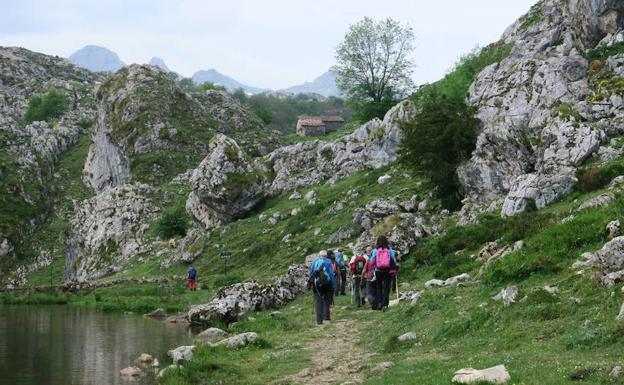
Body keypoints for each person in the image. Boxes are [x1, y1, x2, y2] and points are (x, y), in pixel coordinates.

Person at [368, 235, 398, 310]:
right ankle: (385, 304)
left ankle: (380, 303)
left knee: (379, 287)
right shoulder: (389, 250)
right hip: (387, 271)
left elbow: (372, 261)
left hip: (378, 271)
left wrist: (373, 269)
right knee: (386, 287)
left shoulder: (375, 250)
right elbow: (393, 260)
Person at [308, 250, 335, 325]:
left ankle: (319, 320)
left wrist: (311, 283)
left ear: (319, 255)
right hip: (327, 284)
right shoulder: (329, 262)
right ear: (326, 256)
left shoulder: (315, 261)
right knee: (327, 299)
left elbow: (311, 273)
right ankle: (326, 316)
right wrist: (333, 285)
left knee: (318, 300)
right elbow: (331, 274)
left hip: (317, 285)